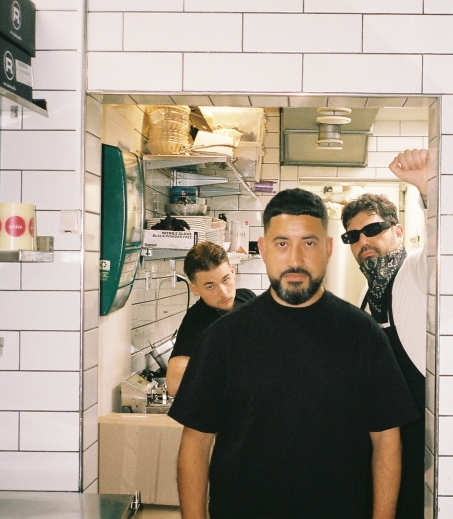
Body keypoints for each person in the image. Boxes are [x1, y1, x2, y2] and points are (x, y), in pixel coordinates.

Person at [168, 188, 419, 519]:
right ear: (264, 250)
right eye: (282, 244)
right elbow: (195, 444)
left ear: (328, 249)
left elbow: (386, 440)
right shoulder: (223, 338)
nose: (296, 259)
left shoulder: (363, 335)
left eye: (309, 243)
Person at [340, 148, 429, 519]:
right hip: (381, 440)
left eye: (373, 229)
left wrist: (426, 188)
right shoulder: (366, 293)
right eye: (353, 236)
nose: (363, 241)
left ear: (398, 231)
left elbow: (446, 245)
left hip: (420, 442)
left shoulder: (418, 270)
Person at [165, 242, 256, 396]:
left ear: (232, 271)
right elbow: (174, 384)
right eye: (210, 286)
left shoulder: (246, 297)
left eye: (225, 280)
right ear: (195, 289)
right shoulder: (197, 321)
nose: (223, 292)